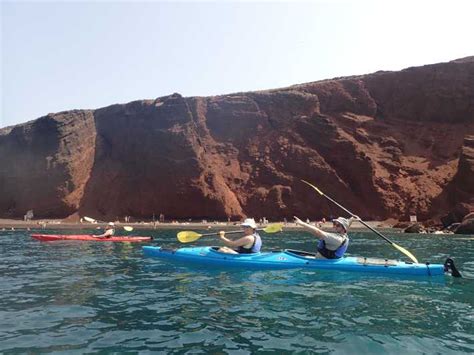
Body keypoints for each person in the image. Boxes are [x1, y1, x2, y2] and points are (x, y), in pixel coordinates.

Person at [294, 215, 358, 259]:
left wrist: (301, 223)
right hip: (330, 260)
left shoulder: (336, 239)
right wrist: (352, 219)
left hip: (322, 262)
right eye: (334, 224)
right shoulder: (344, 235)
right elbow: (346, 226)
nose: (334, 226)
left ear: (344, 228)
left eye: (337, 225)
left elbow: (318, 232)